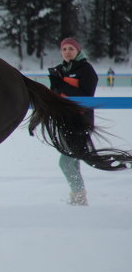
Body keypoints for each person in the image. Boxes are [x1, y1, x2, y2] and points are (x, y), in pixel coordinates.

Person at [48, 36, 98, 205]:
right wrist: (54, 84)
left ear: (78, 51)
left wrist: (61, 85)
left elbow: (86, 96)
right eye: (64, 49)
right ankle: (79, 198)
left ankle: (78, 196)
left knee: (66, 162)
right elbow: (54, 96)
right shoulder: (60, 70)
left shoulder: (86, 69)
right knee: (73, 161)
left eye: (71, 49)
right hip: (64, 120)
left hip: (80, 121)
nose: (67, 52)